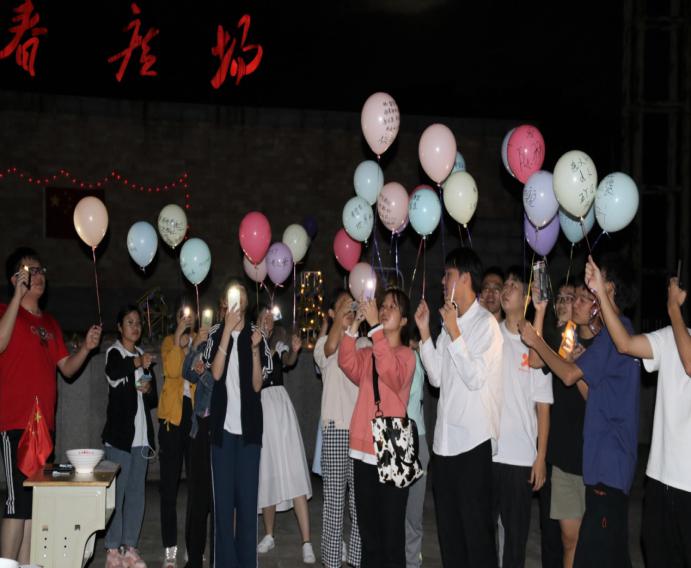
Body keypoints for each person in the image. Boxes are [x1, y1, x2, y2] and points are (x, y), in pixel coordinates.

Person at [520, 254, 640, 567]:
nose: (587, 293)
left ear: (609, 290)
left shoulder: (615, 335)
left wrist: (536, 341)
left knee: (598, 552)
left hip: (608, 465)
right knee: (604, 553)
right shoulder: (614, 336)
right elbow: (591, 388)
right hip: (601, 464)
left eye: (596, 286)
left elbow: (569, 376)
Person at [584, 257, 691, 567]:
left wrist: (673, 309)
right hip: (658, 481)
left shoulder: (678, 333)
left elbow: (689, 363)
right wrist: (600, 291)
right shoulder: (670, 337)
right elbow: (624, 343)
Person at [0, 247, 101, 563]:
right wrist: (16, 298)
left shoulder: (51, 324)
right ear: (15, 278)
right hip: (16, 422)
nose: (39, 276)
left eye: (41, 270)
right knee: (17, 504)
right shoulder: (5, 311)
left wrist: (86, 348)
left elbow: (67, 369)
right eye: (30, 271)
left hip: (44, 428)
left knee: (35, 506)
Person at [415, 246, 503, 568]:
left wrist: (453, 330)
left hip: (473, 445)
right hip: (445, 446)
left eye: (448, 274)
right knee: (450, 536)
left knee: (477, 538)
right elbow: (436, 378)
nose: (442, 281)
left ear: (465, 278)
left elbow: (475, 377)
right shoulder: (450, 322)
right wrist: (425, 332)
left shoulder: (485, 324)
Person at [338, 288, 416, 567]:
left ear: (404, 321)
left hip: (392, 446)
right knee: (368, 533)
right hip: (363, 449)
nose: (384, 310)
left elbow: (392, 374)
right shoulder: (369, 352)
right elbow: (346, 362)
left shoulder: (407, 355)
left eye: (392, 307)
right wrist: (354, 328)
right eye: (383, 305)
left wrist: (375, 328)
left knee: (391, 535)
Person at [529, 279, 594, 568]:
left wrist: (575, 365)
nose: (568, 302)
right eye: (563, 297)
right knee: (555, 535)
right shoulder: (554, 341)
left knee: (586, 536)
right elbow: (534, 359)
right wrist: (540, 311)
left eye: (574, 297)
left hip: (589, 451)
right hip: (558, 451)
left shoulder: (594, 343)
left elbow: (594, 397)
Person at [492, 267, 552, 568]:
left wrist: (540, 458)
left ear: (527, 297)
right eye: (505, 284)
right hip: (489, 452)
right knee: (485, 535)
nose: (506, 289)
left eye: (514, 285)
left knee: (515, 540)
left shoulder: (535, 345)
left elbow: (543, 406)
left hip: (520, 457)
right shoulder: (490, 335)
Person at [203, 280, 263, 568]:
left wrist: (255, 349)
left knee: (248, 506)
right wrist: (227, 330)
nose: (237, 302)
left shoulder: (255, 334)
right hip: (222, 433)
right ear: (224, 304)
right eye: (232, 297)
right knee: (223, 508)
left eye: (241, 296)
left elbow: (257, 385)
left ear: (247, 302)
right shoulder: (216, 333)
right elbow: (215, 374)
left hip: (249, 432)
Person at [254, 305, 315, 563]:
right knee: (267, 470)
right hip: (261, 408)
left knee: (294, 469)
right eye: (263, 317)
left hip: (280, 406)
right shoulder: (251, 343)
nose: (268, 321)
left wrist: (295, 351)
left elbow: (288, 360)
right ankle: (269, 534)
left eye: (270, 318)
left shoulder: (278, 341)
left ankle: (306, 541)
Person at [102, 305, 158, 568]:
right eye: (130, 322)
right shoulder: (115, 353)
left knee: (136, 494)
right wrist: (138, 362)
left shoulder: (141, 356)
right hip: (120, 438)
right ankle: (113, 549)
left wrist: (148, 388)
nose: (135, 327)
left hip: (141, 439)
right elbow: (114, 372)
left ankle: (130, 547)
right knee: (116, 494)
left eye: (138, 323)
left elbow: (153, 399)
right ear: (119, 327)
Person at [313, 289, 363, 568]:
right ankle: (331, 561)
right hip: (334, 428)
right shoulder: (324, 343)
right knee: (334, 502)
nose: (349, 309)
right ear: (332, 314)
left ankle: (356, 559)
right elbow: (331, 348)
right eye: (343, 306)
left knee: (358, 503)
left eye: (352, 305)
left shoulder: (363, 342)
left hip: (359, 431)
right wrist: (340, 319)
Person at [158, 300, 197, 567]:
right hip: (172, 420)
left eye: (189, 315)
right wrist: (178, 340)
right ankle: (170, 547)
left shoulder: (199, 343)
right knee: (169, 488)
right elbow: (172, 370)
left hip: (193, 419)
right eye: (181, 315)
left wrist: (193, 347)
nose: (186, 318)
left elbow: (200, 377)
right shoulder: (167, 343)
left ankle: (193, 546)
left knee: (196, 488)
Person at [404, 329, 428, 568]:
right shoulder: (385, 354)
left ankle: (412, 561)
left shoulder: (418, 356)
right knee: (393, 510)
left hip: (416, 435)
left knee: (413, 511)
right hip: (393, 434)